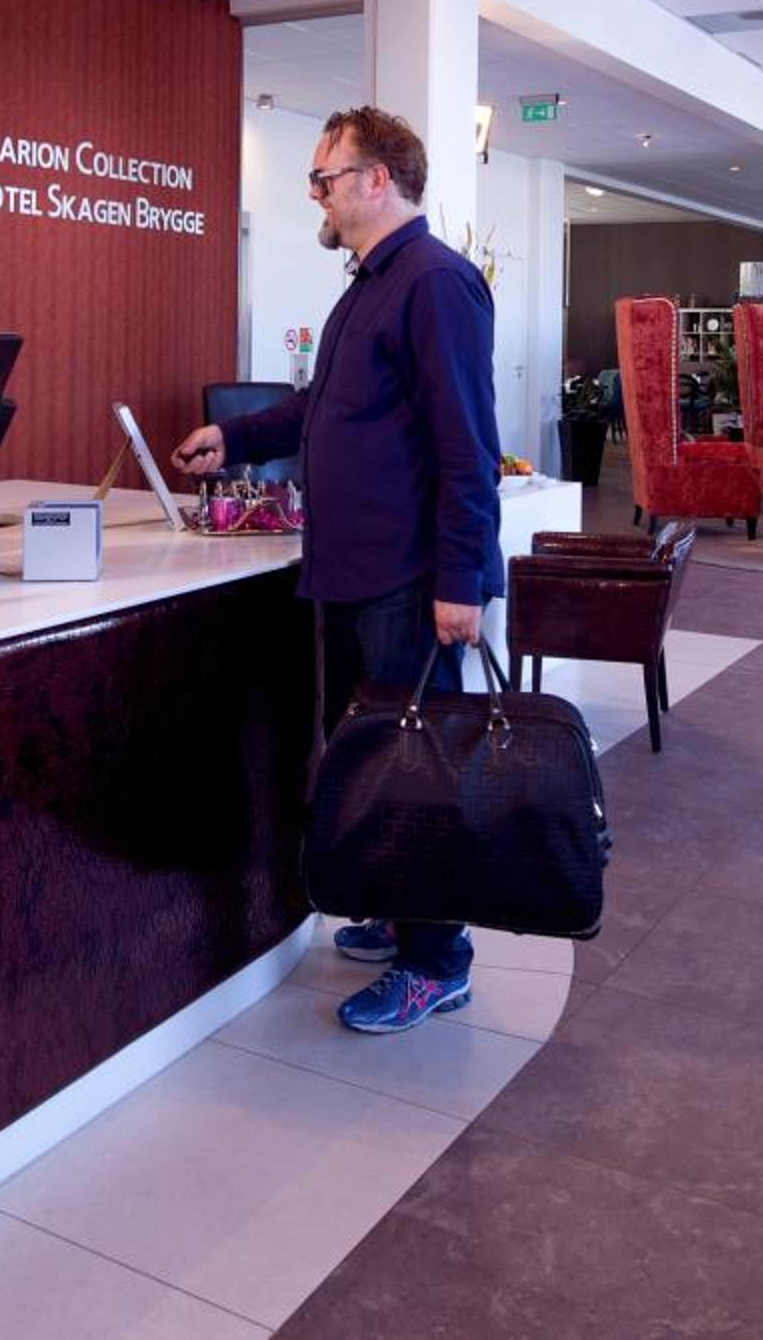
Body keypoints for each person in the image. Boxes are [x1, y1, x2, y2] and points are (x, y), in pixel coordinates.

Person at [171, 105, 501, 1036]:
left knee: (415, 771)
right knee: (370, 762)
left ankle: (438, 961)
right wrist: (235, 436)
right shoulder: (371, 284)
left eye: (324, 178)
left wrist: (461, 581)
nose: (314, 194)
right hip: (355, 576)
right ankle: (402, 914)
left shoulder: (436, 283)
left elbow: (468, 448)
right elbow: (324, 407)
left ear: (375, 181)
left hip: (408, 582)